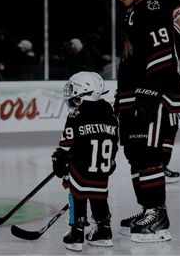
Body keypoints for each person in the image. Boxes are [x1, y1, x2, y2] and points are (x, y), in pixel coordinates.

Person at [108, 0, 180, 242]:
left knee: (149, 154)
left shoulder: (150, 9)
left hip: (149, 98)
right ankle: (147, 210)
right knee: (135, 154)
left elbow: (163, 54)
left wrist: (149, 93)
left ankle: (158, 216)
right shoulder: (133, 12)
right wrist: (123, 98)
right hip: (133, 97)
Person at [51, 71, 119, 252]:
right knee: (99, 198)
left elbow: (66, 147)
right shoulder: (110, 115)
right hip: (102, 171)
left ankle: (77, 232)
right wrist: (110, 162)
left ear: (83, 91)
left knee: (77, 195)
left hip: (81, 170)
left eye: (73, 88)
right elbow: (114, 144)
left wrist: (59, 160)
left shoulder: (76, 116)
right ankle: (104, 230)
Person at [162, 3, 180, 182]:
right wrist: (176, 87)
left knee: (168, 127)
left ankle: (159, 166)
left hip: (169, 86)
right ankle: (160, 167)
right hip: (167, 88)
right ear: (175, 18)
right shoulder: (174, 36)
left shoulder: (178, 36)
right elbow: (170, 65)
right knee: (168, 128)